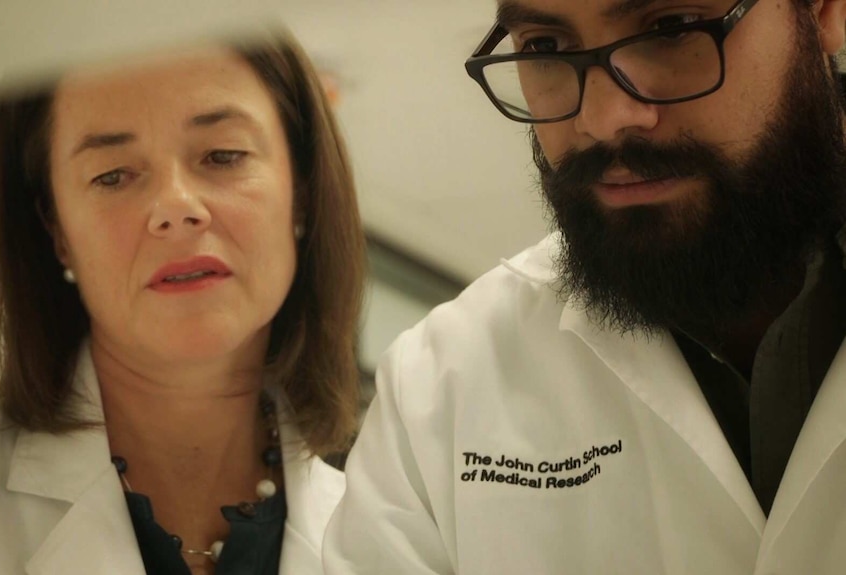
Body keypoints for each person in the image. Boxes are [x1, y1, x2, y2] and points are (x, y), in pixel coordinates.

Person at [323, 0, 846, 573]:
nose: (603, 117)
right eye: (545, 47)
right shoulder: (439, 391)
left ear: (823, 11)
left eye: (670, 28)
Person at [0, 29, 364, 575]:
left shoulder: (399, 509)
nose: (176, 207)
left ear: (302, 189)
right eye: (112, 175)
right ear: (55, 228)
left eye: (222, 155)